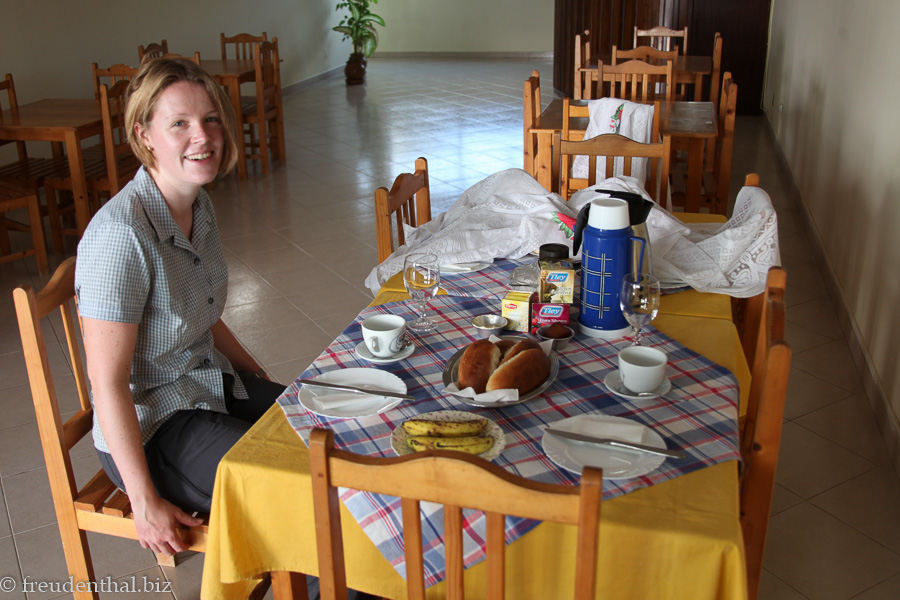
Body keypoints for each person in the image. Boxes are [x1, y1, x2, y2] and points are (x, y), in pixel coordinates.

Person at [74, 58, 285, 557]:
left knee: (316, 431)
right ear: (144, 134)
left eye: (211, 119)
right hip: (151, 429)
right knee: (292, 490)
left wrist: (257, 380)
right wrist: (144, 499)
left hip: (204, 384)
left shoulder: (197, 204)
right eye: (179, 124)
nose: (203, 136)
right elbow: (107, 383)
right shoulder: (120, 236)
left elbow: (204, 312)